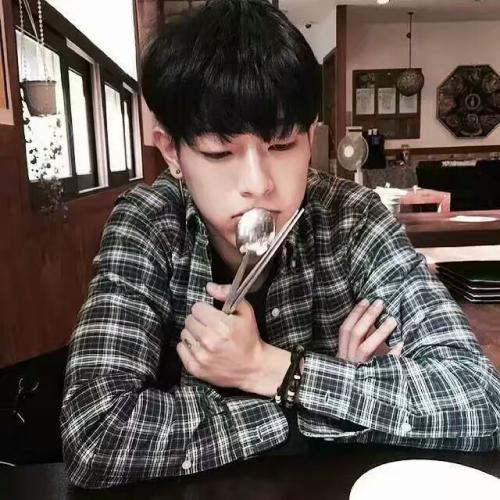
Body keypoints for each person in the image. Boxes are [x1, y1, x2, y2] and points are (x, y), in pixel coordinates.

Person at [60, 0, 500, 489]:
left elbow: (481, 399)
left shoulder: (352, 216)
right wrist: (326, 400)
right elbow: (95, 435)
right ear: (172, 153)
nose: (258, 184)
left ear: (311, 139)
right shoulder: (148, 223)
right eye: (219, 152)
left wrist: (271, 369)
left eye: (282, 145)